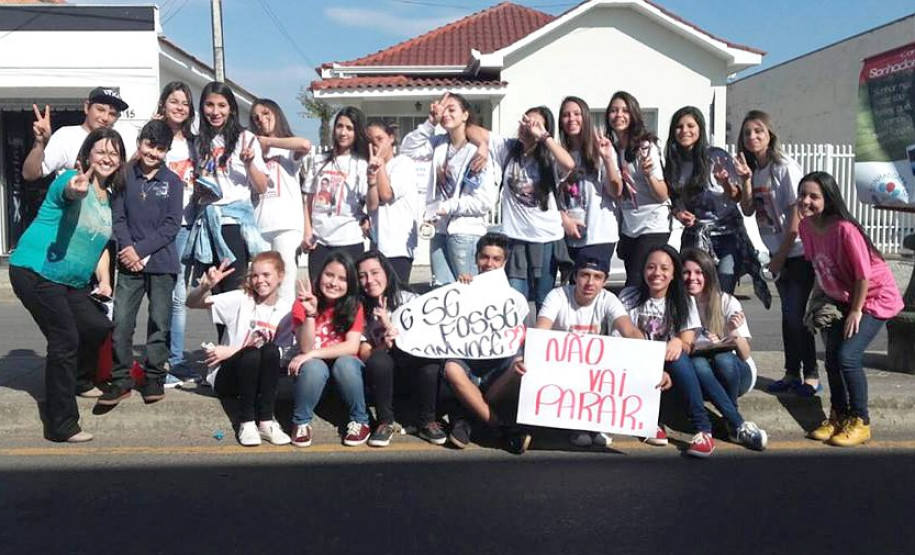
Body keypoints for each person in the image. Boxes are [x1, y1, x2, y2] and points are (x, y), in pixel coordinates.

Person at [9, 128, 126, 442]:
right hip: (37, 271)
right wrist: (76, 188)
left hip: (70, 282)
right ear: (87, 155)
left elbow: (99, 244)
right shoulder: (71, 179)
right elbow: (70, 192)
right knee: (65, 341)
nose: (107, 158)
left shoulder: (108, 200)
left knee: (96, 326)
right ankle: (61, 424)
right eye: (100, 151)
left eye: (114, 153)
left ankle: (79, 381)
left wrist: (104, 279)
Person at [796, 172, 903, 446]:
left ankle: (861, 421)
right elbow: (818, 266)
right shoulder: (806, 226)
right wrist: (818, 301)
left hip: (873, 297)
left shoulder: (844, 228)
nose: (806, 201)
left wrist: (856, 311)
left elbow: (863, 275)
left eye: (814, 196)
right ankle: (839, 415)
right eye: (803, 195)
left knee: (847, 357)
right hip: (841, 297)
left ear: (828, 199)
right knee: (831, 357)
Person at [100, 120, 184, 406]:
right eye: (150, 145)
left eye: (161, 149)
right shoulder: (124, 176)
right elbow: (118, 217)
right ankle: (121, 378)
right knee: (121, 321)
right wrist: (128, 250)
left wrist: (141, 251)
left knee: (160, 322)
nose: (154, 153)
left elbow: (171, 226)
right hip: (128, 263)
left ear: (167, 151)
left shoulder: (173, 182)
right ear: (140, 143)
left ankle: (154, 377)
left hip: (161, 262)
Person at [737, 110, 820, 396]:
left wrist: (780, 259)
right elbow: (748, 209)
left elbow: (797, 216)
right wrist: (746, 180)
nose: (752, 137)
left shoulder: (784, 166)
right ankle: (790, 373)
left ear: (770, 134)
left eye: (758, 131)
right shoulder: (754, 169)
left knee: (798, 316)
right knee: (788, 316)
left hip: (795, 252)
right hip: (776, 253)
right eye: (747, 132)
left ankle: (811, 376)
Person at [532, 254, 654, 449]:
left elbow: (629, 330)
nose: (590, 282)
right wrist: (531, 355)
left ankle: (599, 422)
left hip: (594, 370)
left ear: (605, 281)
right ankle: (577, 425)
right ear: (575, 276)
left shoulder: (609, 299)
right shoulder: (557, 295)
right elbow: (542, 328)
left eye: (597, 277)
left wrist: (653, 364)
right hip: (563, 367)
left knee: (620, 361)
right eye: (585, 275)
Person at [186, 252, 294, 446]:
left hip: (261, 379)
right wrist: (205, 286)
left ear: (280, 276)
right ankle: (247, 422)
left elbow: (284, 355)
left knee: (270, 350)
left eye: (266, 275)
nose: (259, 280)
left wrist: (231, 351)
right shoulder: (241, 299)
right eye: (254, 275)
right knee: (252, 354)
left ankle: (267, 421)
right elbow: (192, 303)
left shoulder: (286, 310)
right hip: (228, 378)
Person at [618, 245, 715, 458]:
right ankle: (649, 422)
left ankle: (704, 431)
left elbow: (688, 344)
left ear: (673, 274)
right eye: (651, 267)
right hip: (636, 365)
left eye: (664, 268)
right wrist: (653, 368)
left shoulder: (683, 300)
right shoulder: (628, 297)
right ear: (643, 271)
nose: (657, 273)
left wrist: (679, 342)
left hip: (670, 369)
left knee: (679, 356)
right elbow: (621, 345)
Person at [477, 106, 575, 309]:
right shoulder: (509, 149)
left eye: (534, 124)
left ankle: (539, 339)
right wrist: (482, 145)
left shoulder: (549, 158)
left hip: (546, 238)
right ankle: (518, 340)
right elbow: (472, 130)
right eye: (524, 121)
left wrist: (543, 136)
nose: (526, 127)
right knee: (515, 299)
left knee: (543, 300)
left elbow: (569, 164)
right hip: (515, 237)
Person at [439, 232, 529, 453]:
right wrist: (459, 290)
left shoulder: (514, 298)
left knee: (520, 364)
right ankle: (500, 428)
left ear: (504, 263)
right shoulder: (461, 288)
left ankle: (468, 419)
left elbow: (520, 336)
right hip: (468, 362)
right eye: (484, 257)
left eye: (496, 259)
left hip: (498, 366)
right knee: (451, 368)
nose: (489, 264)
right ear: (476, 258)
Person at [400, 92, 497, 286]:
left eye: (452, 110)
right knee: (443, 290)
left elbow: (484, 201)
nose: (446, 114)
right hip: (439, 229)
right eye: (443, 110)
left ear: (465, 115)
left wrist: (449, 206)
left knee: (467, 292)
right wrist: (430, 122)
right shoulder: (439, 144)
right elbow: (407, 149)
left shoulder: (476, 153)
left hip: (465, 232)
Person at [186, 81, 270, 297]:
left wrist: (250, 163)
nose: (215, 112)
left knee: (234, 293)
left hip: (233, 225)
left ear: (231, 108)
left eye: (222, 105)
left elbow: (261, 187)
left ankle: (235, 333)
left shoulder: (246, 138)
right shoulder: (197, 142)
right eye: (209, 105)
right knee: (213, 296)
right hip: (206, 224)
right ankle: (221, 333)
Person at [681, 248, 768, 450]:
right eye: (686, 272)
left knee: (723, 359)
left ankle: (732, 415)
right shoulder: (679, 305)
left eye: (698, 272)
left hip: (738, 374)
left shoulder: (726, 301)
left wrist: (732, 334)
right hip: (702, 377)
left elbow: (745, 354)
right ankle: (736, 423)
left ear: (708, 275)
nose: (692, 278)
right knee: (698, 363)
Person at [356, 251, 444, 447]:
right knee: (379, 359)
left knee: (430, 365)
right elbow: (364, 353)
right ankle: (384, 423)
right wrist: (383, 344)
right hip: (384, 377)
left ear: (387, 271)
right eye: (363, 276)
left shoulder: (410, 300)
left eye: (375, 272)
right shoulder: (360, 308)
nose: (369, 280)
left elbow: (427, 340)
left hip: (414, 370)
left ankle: (427, 421)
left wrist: (390, 325)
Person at [287, 252, 370, 447]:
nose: (334, 283)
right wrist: (310, 314)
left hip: (346, 376)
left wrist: (313, 354)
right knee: (314, 366)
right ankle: (301, 422)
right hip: (314, 377)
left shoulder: (354, 305)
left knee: (346, 362)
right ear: (320, 275)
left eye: (342, 279)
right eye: (329, 275)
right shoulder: (303, 302)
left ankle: (360, 419)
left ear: (350, 283)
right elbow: (305, 347)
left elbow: (352, 346)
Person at [665, 107, 747, 294]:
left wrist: (725, 182)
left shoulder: (716, 156)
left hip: (726, 235)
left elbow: (736, 196)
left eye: (690, 125)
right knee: (694, 294)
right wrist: (679, 213)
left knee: (723, 292)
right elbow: (673, 200)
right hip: (695, 236)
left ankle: (721, 325)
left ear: (700, 129)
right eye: (679, 126)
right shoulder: (673, 162)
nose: (685, 130)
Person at [155, 81, 200, 385]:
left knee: (179, 293)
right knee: (162, 292)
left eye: (185, 102)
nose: (180, 107)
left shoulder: (196, 142)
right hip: (156, 225)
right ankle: (162, 360)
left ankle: (176, 359)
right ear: (163, 104)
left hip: (186, 223)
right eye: (174, 101)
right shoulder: (154, 138)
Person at [249, 98, 313, 301]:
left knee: (285, 285)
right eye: (256, 118)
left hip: (286, 225)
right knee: (260, 286)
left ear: (277, 114)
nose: (261, 120)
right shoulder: (252, 149)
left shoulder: (286, 146)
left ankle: (286, 331)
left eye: (266, 114)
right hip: (258, 225)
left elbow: (305, 144)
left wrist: (269, 142)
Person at [605, 91, 671, 288]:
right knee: (636, 284)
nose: (619, 115)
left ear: (633, 114)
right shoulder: (614, 149)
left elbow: (662, 195)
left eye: (625, 110)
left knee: (636, 283)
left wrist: (649, 174)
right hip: (629, 227)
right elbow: (616, 191)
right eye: (614, 110)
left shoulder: (646, 146)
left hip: (652, 224)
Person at [302, 107, 370, 283]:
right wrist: (307, 231)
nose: (343, 132)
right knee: (319, 293)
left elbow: (367, 201)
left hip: (349, 240)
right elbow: (309, 197)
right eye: (339, 126)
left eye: (349, 128)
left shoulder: (361, 164)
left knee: (348, 296)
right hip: (320, 242)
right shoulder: (318, 160)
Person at [556, 96, 622, 273]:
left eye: (577, 114)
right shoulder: (559, 154)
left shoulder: (600, 148)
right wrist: (563, 218)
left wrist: (607, 159)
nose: (572, 119)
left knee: (589, 289)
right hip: (571, 235)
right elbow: (552, 195)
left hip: (599, 234)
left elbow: (615, 190)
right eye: (566, 115)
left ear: (585, 117)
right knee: (573, 289)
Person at [22, 86, 129, 181]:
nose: (105, 118)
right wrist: (39, 142)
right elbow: (30, 174)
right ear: (87, 107)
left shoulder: (122, 140)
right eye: (100, 110)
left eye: (112, 114)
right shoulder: (66, 136)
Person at [364, 120, 418, 283]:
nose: (376, 146)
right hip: (377, 244)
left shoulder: (403, 164)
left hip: (398, 246)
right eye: (371, 143)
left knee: (397, 295)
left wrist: (379, 165)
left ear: (391, 138)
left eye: (379, 140)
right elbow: (371, 204)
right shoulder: (368, 168)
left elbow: (387, 194)